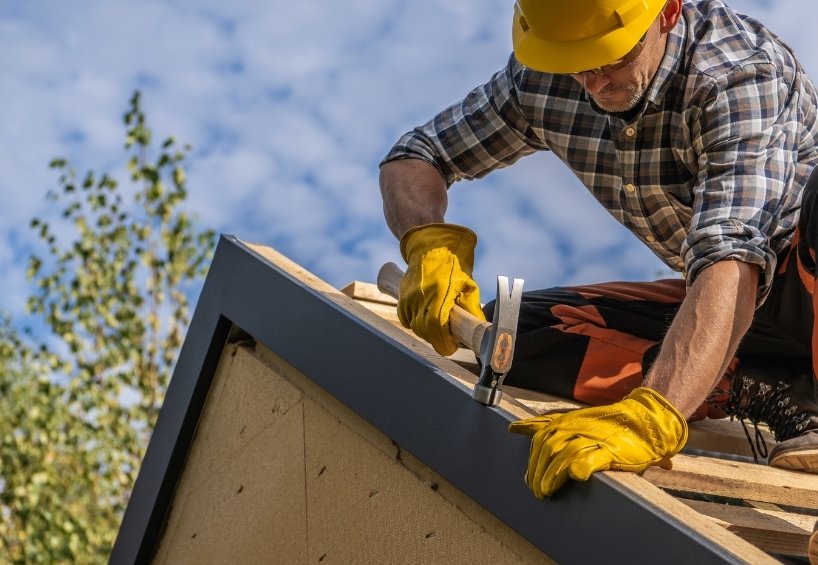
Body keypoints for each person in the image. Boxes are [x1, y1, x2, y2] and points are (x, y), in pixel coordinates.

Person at [379, 0, 818, 499]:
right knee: (511, 333)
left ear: (667, 13)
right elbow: (417, 155)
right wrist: (427, 243)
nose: (592, 82)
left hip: (794, 280)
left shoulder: (736, 75)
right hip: (734, 310)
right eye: (574, 62)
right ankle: (772, 389)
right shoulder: (543, 79)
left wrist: (656, 414)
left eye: (610, 59)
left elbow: (731, 255)